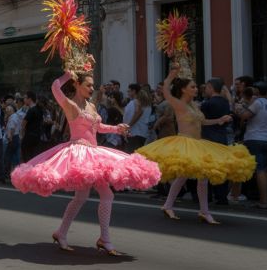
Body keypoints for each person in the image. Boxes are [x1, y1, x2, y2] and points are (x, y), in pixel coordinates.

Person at [12, 70, 161, 254]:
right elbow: (55, 87)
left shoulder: (91, 105)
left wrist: (117, 129)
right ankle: (68, 233)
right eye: (88, 85)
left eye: (92, 85)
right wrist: (68, 74)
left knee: (103, 196)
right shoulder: (70, 104)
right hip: (79, 155)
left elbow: (98, 127)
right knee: (86, 197)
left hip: (95, 154)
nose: (92, 88)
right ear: (77, 85)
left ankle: (96, 237)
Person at [137, 64, 255, 224]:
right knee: (188, 176)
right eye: (192, 87)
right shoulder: (179, 104)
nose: (196, 89)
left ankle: (190, 209)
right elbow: (166, 91)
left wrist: (219, 120)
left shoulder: (195, 105)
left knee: (197, 177)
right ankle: (185, 208)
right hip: (184, 142)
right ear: (184, 89)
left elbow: (202, 122)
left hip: (198, 143)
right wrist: (172, 75)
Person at [235, 82, 267, 209]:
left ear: (256, 91)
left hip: (255, 138)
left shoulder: (259, 103)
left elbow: (245, 116)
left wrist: (240, 109)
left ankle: (264, 201)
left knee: (260, 170)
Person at [20, 92, 44, 161]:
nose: (24, 100)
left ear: (29, 99)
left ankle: (27, 170)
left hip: (29, 137)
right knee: (34, 157)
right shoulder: (39, 109)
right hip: (37, 136)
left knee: (26, 156)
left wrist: (21, 135)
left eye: (25, 98)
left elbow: (23, 123)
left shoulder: (31, 110)